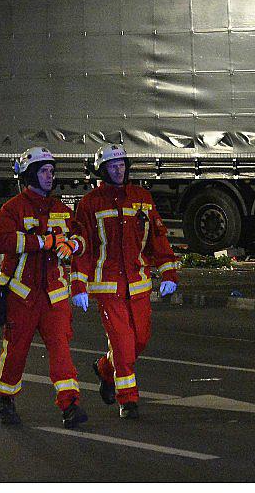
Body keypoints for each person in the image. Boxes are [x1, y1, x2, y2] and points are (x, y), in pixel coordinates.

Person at [72, 144, 180, 420]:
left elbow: (157, 237)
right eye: (112, 166)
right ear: (103, 170)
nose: (118, 170)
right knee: (122, 344)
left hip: (139, 283)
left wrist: (168, 272)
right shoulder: (90, 204)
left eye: (121, 165)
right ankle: (128, 399)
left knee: (140, 340)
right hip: (108, 287)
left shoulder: (142, 197)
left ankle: (106, 370)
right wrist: (79, 285)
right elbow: (84, 248)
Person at [0, 146, 87, 428]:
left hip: (54, 296)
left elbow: (81, 239)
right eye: (44, 171)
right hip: (21, 295)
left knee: (61, 350)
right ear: (30, 174)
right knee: (16, 351)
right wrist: (41, 242)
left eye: (52, 171)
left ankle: (70, 405)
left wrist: (73, 245)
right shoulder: (12, 209)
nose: (50, 176)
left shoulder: (60, 209)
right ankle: (5, 399)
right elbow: (3, 242)